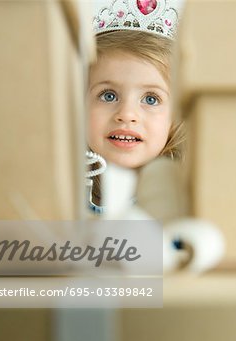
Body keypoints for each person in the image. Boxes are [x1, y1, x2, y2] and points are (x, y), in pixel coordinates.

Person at [86, 0, 185, 213]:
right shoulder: (62, 192)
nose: (127, 115)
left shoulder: (183, 201)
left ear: (176, 117)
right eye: (108, 95)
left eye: (151, 99)